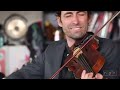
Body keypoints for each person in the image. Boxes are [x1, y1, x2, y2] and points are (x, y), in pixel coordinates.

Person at [4, 11, 120, 79]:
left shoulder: (111, 48)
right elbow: (25, 73)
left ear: (88, 19)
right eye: (68, 15)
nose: (75, 21)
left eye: (80, 14)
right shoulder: (52, 49)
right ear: (59, 21)